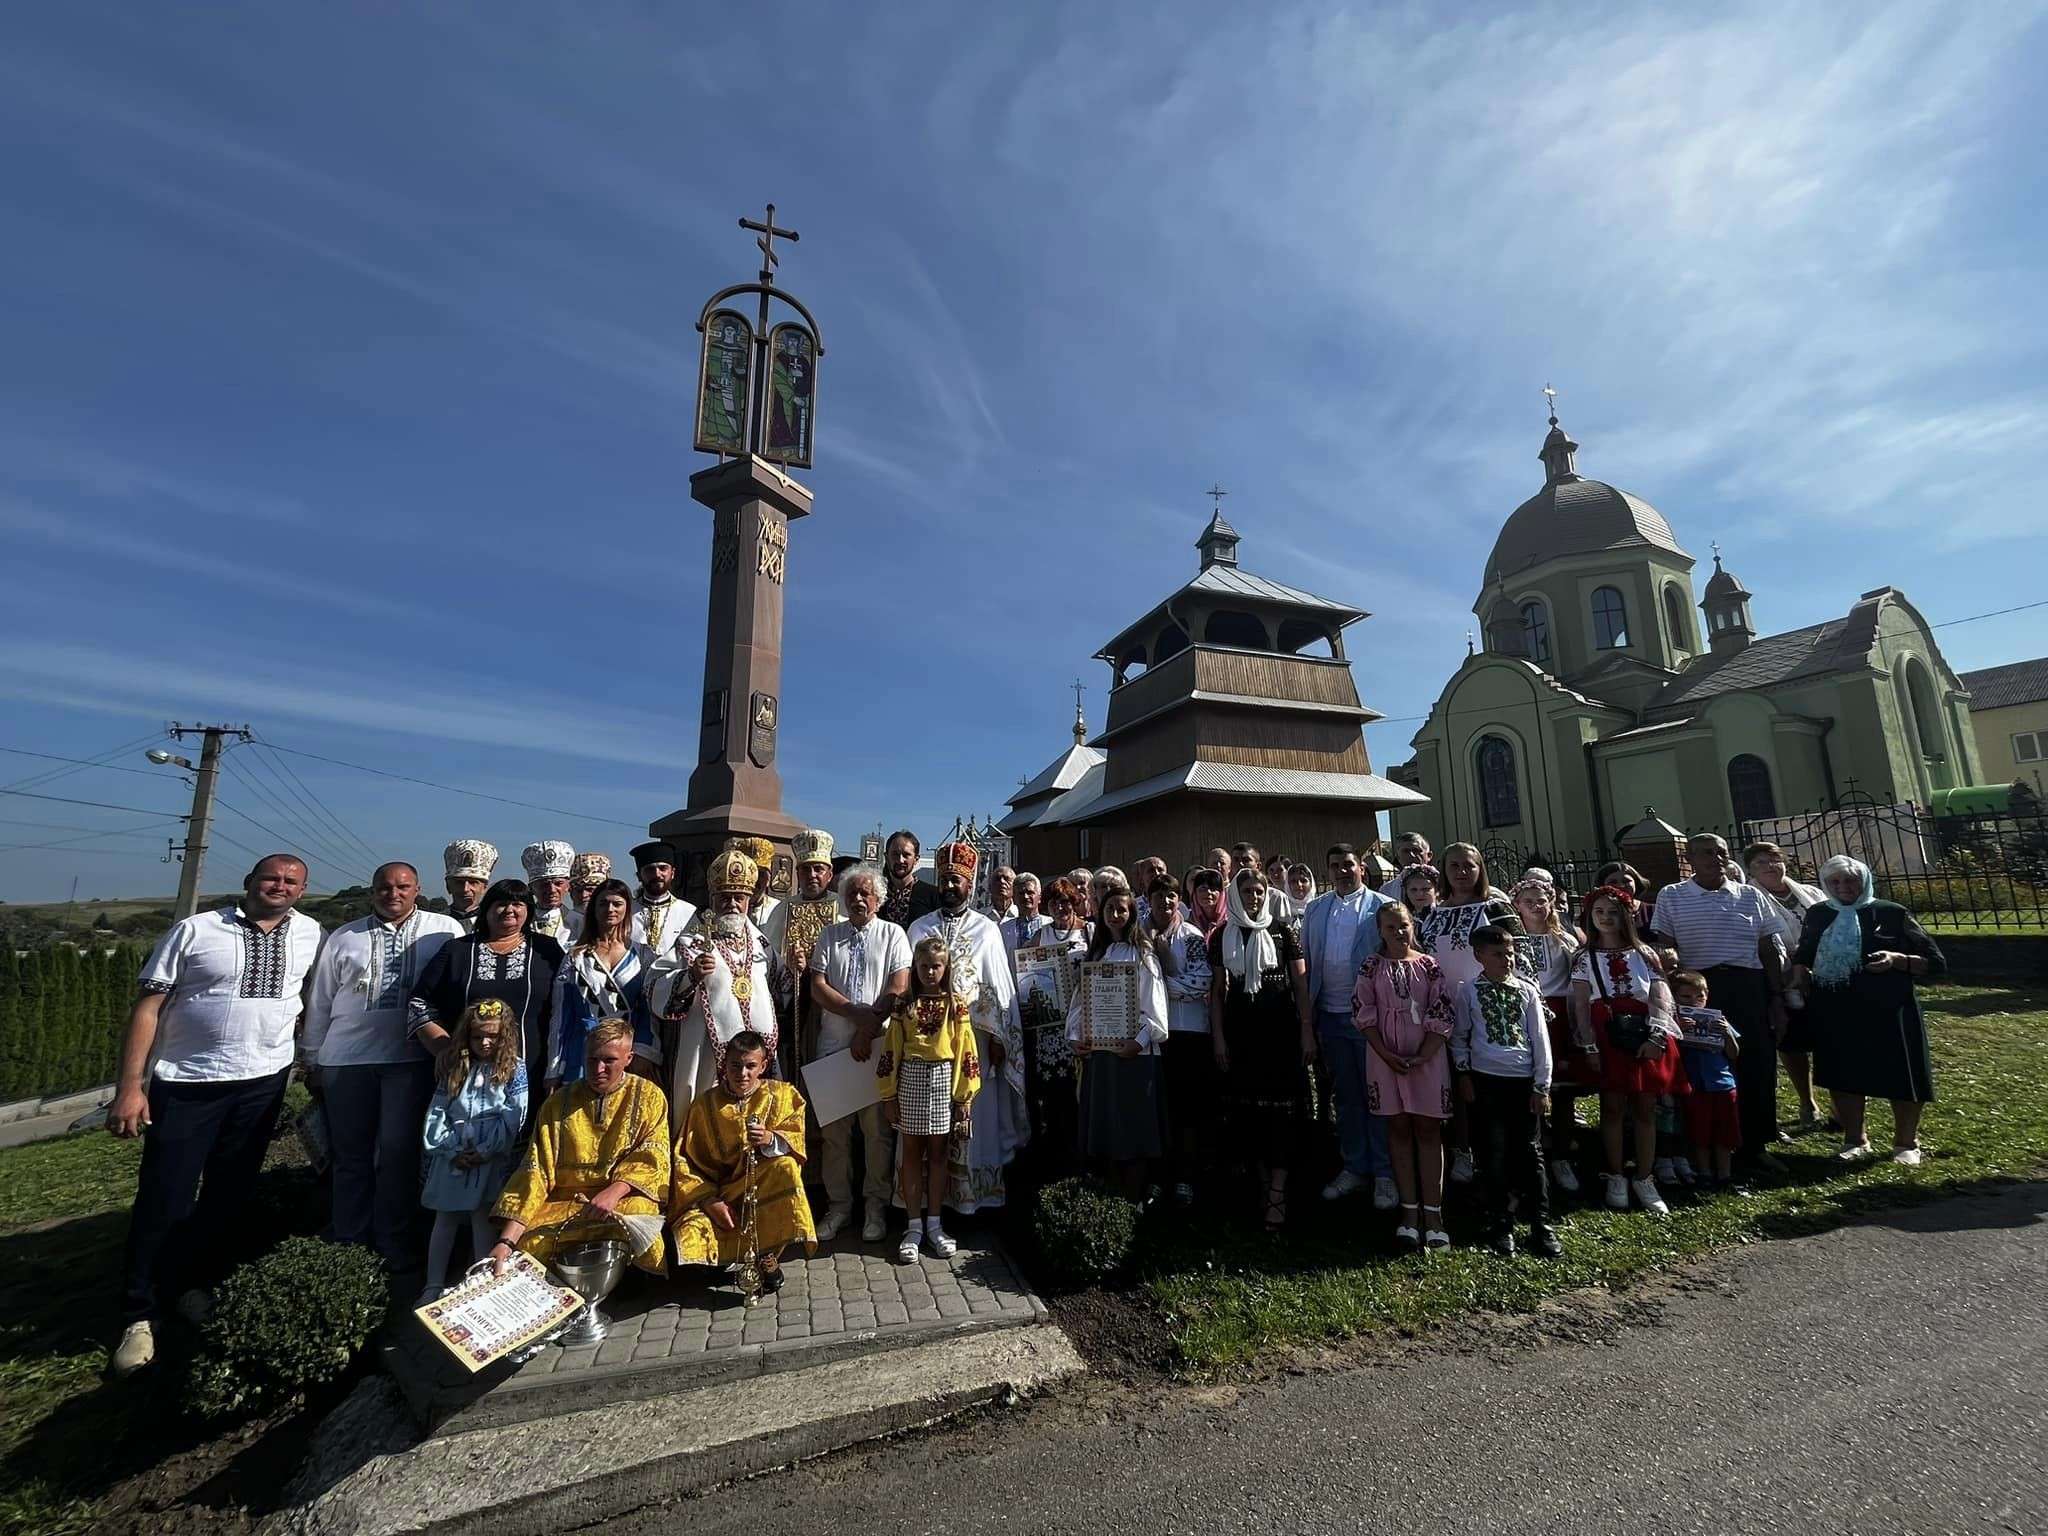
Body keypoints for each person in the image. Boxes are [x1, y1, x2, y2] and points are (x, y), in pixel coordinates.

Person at [107, 854, 323, 1377]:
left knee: (229, 1193)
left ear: (303, 890)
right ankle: (140, 1313)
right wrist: (130, 1087)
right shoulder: (197, 929)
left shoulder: (311, 933)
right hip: (190, 1080)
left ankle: (195, 1286)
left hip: (263, 1081)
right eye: (272, 877)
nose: (281, 886)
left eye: (292, 881)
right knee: (166, 1195)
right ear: (249, 882)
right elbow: (148, 1007)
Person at [301, 861, 463, 1268]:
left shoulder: (443, 929)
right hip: (346, 1059)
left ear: (417, 889)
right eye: (385, 888)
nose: (393, 894)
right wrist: (312, 1057)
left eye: (402, 887)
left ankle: (394, 1241)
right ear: (373, 891)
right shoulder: (344, 937)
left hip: (408, 1061)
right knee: (350, 1155)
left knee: (398, 1154)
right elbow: (320, 1001)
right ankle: (350, 1241)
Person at [1790, 855, 1946, 1165]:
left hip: (1889, 1008)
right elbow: (1804, 953)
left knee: (1901, 1072)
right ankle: (1855, 1139)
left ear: (1864, 881)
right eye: (1835, 882)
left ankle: (1906, 1143)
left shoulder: (1891, 913)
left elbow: (1936, 964)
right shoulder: (1818, 914)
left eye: (1850, 881)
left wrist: (1896, 959)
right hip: (1835, 1006)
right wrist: (1798, 977)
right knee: (1843, 1072)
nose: (1843, 887)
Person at [1647, 834, 1788, 1168]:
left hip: (1746, 985)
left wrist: (1777, 996)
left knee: (1756, 1062)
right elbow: (1666, 945)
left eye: (1721, 853)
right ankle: (1704, 1145)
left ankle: (1756, 1144)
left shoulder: (1751, 895)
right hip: (1699, 991)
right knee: (1703, 1068)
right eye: (1707, 853)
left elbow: (1768, 947)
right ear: (1690, 859)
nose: (1716, 859)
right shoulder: (1673, 895)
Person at [489, 1019, 670, 1277]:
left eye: (609, 1061)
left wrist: (614, 1192)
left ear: (629, 1058)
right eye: (592, 1059)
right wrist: (506, 1241)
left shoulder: (649, 1096)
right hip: (566, 1204)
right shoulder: (557, 1104)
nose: (598, 1069)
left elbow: (652, 1156)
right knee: (527, 1246)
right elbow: (535, 1171)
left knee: (641, 1221)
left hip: (622, 1199)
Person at [906, 842, 1027, 1213]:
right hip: (926, 1045)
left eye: (957, 879)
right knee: (926, 1121)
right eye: (945, 879)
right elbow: (908, 986)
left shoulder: (986, 930)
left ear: (969, 883)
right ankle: (926, 1205)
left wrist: (997, 1040)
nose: (950, 885)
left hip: (974, 1043)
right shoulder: (919, 928)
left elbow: (998, 988)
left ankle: (972, 1202)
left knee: (975, 1122)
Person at [806, 864, 912, 1242]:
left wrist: (867, 1030)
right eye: (852, 893)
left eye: (866, 893)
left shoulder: (893, 934)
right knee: (834, 1134)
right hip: (834, 1046)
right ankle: (838, 1207)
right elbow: (818, 986)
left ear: (879, 899)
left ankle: (875, 1208)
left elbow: (899, 986)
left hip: (877, 1049)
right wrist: (854, 1016)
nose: (858, 899)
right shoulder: (829, 935)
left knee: (877, 1133)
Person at [671, 1029, 816, 1290]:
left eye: (750, 1066)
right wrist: (708, 1200)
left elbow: (796, 1145)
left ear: (763, 1066)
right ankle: (721, 1267)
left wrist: (771, 1139)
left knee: (785, 1167)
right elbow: (684, 1162)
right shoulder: (704, 1106)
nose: (742, 1074)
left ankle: (766, 1256)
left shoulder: (783, 1095)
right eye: (735, 1066)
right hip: (719, 1193)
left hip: (762, 1189)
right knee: (688, 1242)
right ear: (723, 1064)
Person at [1209, 866, 1312, 1231]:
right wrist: (1219, 1036)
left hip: (1279, 1030)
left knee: (1281, 1112)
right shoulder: (1223, 934)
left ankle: (1279, 1192)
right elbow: (1218, 992)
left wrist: (1306, 1031)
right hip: (1241, 1031)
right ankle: (1262, 1182)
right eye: (1247, 891)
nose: (1253, 898)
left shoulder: (1282, 930)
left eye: (1258, 891)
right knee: (1249, 1110)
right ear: (1235, 895)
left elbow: (1300, 985)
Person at [409, 878, 561, 1121]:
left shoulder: (547, 950)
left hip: (532, 1067)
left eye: (518, 904)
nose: (510, 910)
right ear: (487, 908)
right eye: (501, 903)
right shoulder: (457, 950)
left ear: (528, 910)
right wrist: (443, 1047)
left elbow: (565, 1006)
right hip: (464, 1070)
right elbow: (419, 1002)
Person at [1572, 885, 1683, 1215]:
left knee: (1646, 1107)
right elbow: (1579, 1004)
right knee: (1612, 1106)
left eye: (1613, 912)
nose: (1606, 918)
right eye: (1599, 912)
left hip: (1643, 1032)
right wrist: (1588, 1044)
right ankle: (1615, 1173)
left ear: (1626, 916)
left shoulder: (1644, 954)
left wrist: (1657, 1037)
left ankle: (1645, 1177)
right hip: (1606, 1034)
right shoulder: (1583, 958)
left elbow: (1661, 996)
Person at [1297, 844, 1395, 1211]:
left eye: (1348, 865)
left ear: (1361, 869)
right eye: (1335, 865)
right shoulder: (1317, 908)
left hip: (1370, 1019)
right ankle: (1355, 1166)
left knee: (1377, 1095)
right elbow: (1306, 959)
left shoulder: (1378, 907)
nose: (1342, 871)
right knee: (1347, 1097)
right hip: (1332, 1015)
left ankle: (1385, 1172)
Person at [656, 849, 785, 1124]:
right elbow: (654, 987)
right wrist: (689, 977)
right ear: (712, 898)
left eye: (739, 898)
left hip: (756, 1057)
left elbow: (782, 988)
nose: (732, 904)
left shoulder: (763, 946)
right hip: (705, 1052)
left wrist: (799, 970)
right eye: (724, 898)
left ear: (749, 900)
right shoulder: (691, 942)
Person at [1451, 925, 1558, 1258]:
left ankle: (1541, 1221)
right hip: (1487, 1079)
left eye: (1509, 953)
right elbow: (1460, 1036)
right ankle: (1500, 1220)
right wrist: (1464, 1073)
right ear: (1479, 956)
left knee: (1531, 1152)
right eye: (1497, 954)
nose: (1506, 959)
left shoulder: (1525, 991)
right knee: (1492, 1151)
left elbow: (1541, 1041)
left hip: (1522, 1079)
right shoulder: (1468, 991)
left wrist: (1542, 1085)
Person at [1354, 903, 1455, 1251]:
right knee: (1397, 1128)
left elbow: (1442, 1009)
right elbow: (1363, 1012)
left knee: (1427, 1129)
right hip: (1385, 1059)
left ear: (1413, 927)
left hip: (1426, 1059)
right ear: (1380, 931)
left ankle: (1434, 1212)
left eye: (1404, 926)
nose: (1399, 933)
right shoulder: (1371, 966)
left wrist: (1425, 1053)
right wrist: (1385, 1053)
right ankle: (1409, 1213)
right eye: (1391, 927)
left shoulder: (1428, 966)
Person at [1415, 843, 1517, 1187]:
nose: (1461, 872)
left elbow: (1519, 956)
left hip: (1489, 1007)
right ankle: (1462, 1149)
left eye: (1468, 866)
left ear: (1479, 869)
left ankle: (1500, 1151)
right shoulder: (1432, 913)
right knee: (1458, 1083)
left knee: (1491, 1083)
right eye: (1454, 865)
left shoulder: (1496, 908)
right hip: (1444, 1010)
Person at [877, 936, 983, 1261]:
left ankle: (935, 1223)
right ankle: (913, 1225)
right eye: (924, 966)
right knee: (911, 1153)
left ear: (946, 966)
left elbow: (966, 1048)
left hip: (941, 1080)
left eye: (936, 966)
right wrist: (887, 1093)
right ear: (915, 967)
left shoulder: (956, 1004)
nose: (930, 972)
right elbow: (892, 1048)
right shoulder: (904, 1005)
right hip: (911, 1079)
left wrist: (964, 1096)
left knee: (938, 1154)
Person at [419, 998, 528, 1299]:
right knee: (445, 1219)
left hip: (487, 1157)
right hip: (452, 1156)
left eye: (492, 1036)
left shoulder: (513, 1069)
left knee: (483, 1217)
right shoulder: (457, 1068)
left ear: (504, 1036)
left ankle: (482, 1282)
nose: (484, 1043)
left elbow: (514, 1114)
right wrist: (448, 1147)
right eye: (478, 1036)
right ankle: (433, 1284)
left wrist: (486, 1149)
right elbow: (438, 1110)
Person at [1069, 885, 1168, 1197]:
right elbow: (1079, 1005)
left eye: (1121, 909)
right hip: (1102, 1054)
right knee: (1107, 1128)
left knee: (1133, 1129)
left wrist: (1138, 1041)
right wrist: (1077, 1038)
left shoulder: (1143, 954)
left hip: (1134, 1056)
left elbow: (1155, 1007)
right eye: (1109, 908)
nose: (1115, 915)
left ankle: (1134, 1199)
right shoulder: (1096, 954)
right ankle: (1111, 1202)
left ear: (1131, 913)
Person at [1511, 875, 1592, 1197]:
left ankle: (1561, 1152)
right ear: (1517, 905)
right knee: (1528, 1086)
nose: (1535, 906)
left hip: (1559, 1014)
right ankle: (1536, 1149)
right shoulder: (1513, 942)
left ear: (1551, 903)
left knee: (1561, 1091)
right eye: (1528, 901)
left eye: (1541, 900)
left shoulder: (1565, 940)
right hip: (1525, 1015)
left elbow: (1576, 982)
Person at [1743, 841, 1830, 1127]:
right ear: (1750, 870)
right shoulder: (1747, 897)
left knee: (1830, 1039)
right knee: (1793, 1042)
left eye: (1774, 860)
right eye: (1760, 863)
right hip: (1782, 976)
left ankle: (1841, 1104)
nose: (1770, 866)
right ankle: (1808, 1102)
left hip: (1824, 971)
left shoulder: (1812, 893)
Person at [552, 879, 658, 1087]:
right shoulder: (575, 956)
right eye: (603, 903)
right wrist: (554, 1068)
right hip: (583, 1054)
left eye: (617, 904)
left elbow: (649, 1011)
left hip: (626, 1054)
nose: (610, 909)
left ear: (627, 908)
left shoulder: (644, 955)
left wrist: (645, 1051)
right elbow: (560, 1017)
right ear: (593, 909)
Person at [761, 829, 844, 1081]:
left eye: (818, 869)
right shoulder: (782, 909)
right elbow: (769, 956)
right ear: (797, 874)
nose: (812, 875)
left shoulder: (843, 907)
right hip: (792, 1001)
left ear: (829, 874)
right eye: (806, 869)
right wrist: (789, 966)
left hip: (832, 1000)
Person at [1154, 874, 1216, 1205]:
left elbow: (1200, 983)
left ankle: (1185, 1177)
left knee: (1188, 1111)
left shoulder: (1190, 935)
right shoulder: (1142, 937)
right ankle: (1160, 1173)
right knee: (1161, 1109)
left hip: (1189, 1034)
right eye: (1159, 896)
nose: (1165, 902)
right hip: (1154, 1037)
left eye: (1171, 896)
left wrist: (1162, 985)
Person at [1020, 876, 1087, 1168]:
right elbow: (1026, 978)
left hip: (1083, 1022)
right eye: (1055, 902)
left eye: (1066, 901)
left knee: (1081, 1092)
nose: (1061, 907)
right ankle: (1055, 1156)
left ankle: (1081, 1155)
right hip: (1051, 1029)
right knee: (1054, 1095)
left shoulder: (1091, 932)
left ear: (1075, 903)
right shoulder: (1040, 937)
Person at [1671, 972, 1741, 1188]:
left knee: (1725, 1132)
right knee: (1699, 1130)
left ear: (1707, 995)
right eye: (1686, 997)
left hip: (1722, 1083)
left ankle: (1725, 1174)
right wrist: (1678, 1031)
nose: (1694, 1002)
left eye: (1699, 997)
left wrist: (1726, 1034)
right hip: (1694, 1085)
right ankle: (1704, 1172)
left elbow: (1734, 1053)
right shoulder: (1675, 1022)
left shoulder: (1719, 1020)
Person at [878, 829, 940, 929]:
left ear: (916, 859)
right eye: (895, 854)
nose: (900, 860)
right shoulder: (875, 895)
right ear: (886, 857)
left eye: (906, 855)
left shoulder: (933, 896)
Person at [522, 840, 580, 946]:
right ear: (531, 888)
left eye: (558, 883)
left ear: (568, 886)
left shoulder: (579, 922)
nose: (552, 890)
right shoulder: (521, 921)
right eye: (544, 885)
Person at [441, 839, 498, 932]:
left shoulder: (497, 923)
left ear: (484, 887)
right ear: (448, 885)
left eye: (473, 882)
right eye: (459, 882)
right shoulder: (435, 922)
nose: (465, 889)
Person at [1000, 872, 1050, 963]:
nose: (1025, 897)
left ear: (1039, 897)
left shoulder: (1051, 924)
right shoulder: (1003, 929)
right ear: (1014, 899)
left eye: (1030, 892)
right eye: (1021, 893)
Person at [1380, 832, 1433, 900]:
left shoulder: (1441, 885)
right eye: (1406, 851)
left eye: (1416, 850)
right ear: (1398, 857)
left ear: (1429, 856)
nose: (1411, 855)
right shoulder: (1386, 891)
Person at [567, 851, 612, 922]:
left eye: (590, 890)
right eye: (578, 890)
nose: (583, 895)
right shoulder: (563, 923)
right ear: (571, 892)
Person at [1185, 865, 1227, 939]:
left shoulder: (1230, 921)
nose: (1208, 892)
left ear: (1221, 894)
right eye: (1203, 888)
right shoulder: (1187, 924)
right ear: (1195, 893)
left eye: (1213, 888)